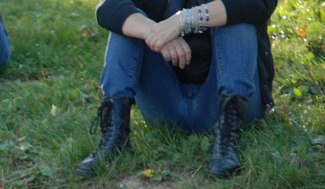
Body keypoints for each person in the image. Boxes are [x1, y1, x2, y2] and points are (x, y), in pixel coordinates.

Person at [76, 0, 276, 177]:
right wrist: (154, 32)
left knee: (237, 18)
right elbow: (108, 7)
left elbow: (259, 3)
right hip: (166, 102)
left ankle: (227, 139)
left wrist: (182, 21)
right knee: (126, 23)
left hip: (223, 100)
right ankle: (114, 138)